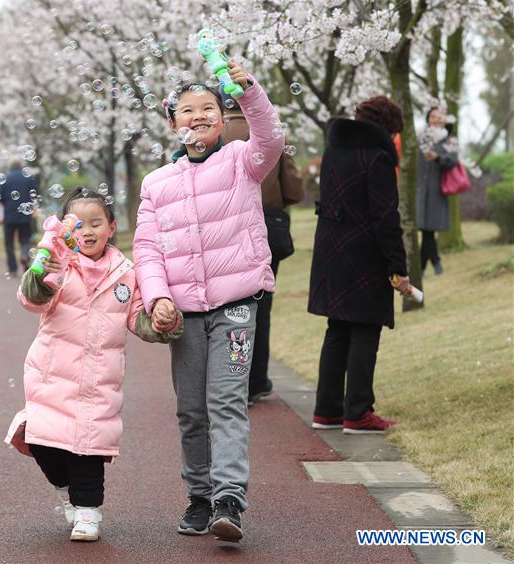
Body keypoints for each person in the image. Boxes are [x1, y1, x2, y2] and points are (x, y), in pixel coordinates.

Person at [133, 63, 284, 543]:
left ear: (223, 118)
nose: (197, 117)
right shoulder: (156, 184)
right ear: (172, 123)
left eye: (207, 109)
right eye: (186, 111)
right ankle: (199, 497)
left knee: (226, 401)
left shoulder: (243, 159)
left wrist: (249, 91)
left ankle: (228, 501)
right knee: (192, 409)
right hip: (184, 313)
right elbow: (146, 248)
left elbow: (271, 138)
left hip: (237, 305)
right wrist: (157, 297)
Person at [5, 187, 178, 542]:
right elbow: (32, 298)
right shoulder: (59, 263)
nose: (87, 231)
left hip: (98, 382)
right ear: (67, 230)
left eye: (96, 223)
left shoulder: (126, 273)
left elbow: (138, 318)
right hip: (51, 375)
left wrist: (162, 321)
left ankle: (88, 513)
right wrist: (42, 272)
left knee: (88, 448)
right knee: (44, 443)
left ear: (111, 227)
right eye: (79, 224)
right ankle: (68, 490)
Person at [308, 96, 412, 434]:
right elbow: (385, 216)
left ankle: (327, 410)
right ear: (387, 128)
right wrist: (398, 263)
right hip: (365, 253)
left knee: (337, 329)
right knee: (366, 329)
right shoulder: (378, 157)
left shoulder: (334, 149)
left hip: (331, 249)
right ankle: (358, 412)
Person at [222, 94, 304, 404]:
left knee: (232, 308)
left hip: (227, 230)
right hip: (268, 228)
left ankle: (233, 378)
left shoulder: (213, 133)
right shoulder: (270, 130)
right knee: (262, 306)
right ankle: (257, 380)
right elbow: (294, 190)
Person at [416, 106, 459, 276]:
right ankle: (434, 263)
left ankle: (424, 266)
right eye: (433, 116)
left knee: (428, 229)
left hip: (437, 190)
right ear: (428, 118)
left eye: (440, 117)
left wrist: (438, 157)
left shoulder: (449, 140)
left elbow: (453, 160)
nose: (436, 119)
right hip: (420, 189)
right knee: (426, 229)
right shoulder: (421, 137)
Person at [0, 162, 38, 275]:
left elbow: (0, 196)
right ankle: (25, 257)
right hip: (25, 215)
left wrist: (7, 204)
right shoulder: (29, 178)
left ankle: (12, 268)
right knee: (25, 239)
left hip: (9, 215)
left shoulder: (6, 178)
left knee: (9, 243)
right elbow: (35, 194)